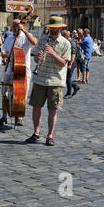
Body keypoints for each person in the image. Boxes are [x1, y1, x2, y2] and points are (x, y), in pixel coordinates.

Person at [26, 16, 71, 146]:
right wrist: (38, 57)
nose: (51, 30)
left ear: (60, 29)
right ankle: (36, 133)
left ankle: (50, 136)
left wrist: (53, 53)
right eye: (50, 28)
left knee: (52, 110)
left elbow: (64, 63)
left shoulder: (65, 43)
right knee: (36, 108)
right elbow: (35, 59)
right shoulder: (43, 39)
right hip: (40, 78)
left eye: (54, 28)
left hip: (55, 80)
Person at [0, 19, 37, 127]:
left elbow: (34, 43)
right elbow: (3, 51)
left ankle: (19, 117)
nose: (15, 27)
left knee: (21, 95)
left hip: (23, 70)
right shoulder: (9, 38)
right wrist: (5, 55)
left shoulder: (26, 37)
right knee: (5, 93)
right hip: (10, 69)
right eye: (13, 25)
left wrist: (24, 30)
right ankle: (4, 116)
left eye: (17, 25)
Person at [62, 30, 80, 98]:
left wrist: (70, 64)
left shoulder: (71, 43)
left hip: (72, 62)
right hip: (67, 62)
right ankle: (75, 86)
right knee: (66, 78)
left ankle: (69, 93)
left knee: (68, 78)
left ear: (66, 36)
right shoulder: (66, 42)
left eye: (63, 36)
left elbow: (73, 55)